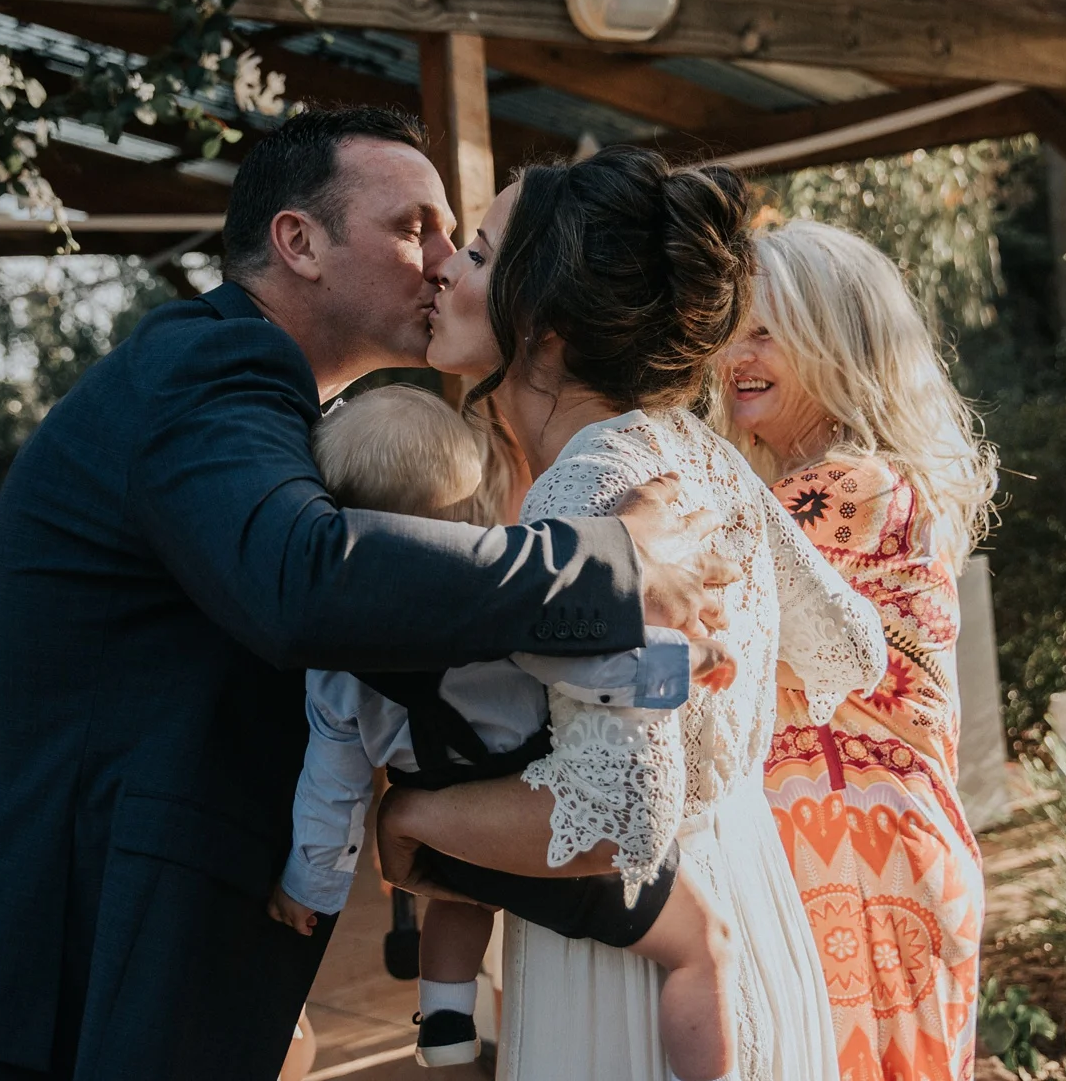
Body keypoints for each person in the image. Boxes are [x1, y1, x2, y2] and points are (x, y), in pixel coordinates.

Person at [0, 108, 740, 1081]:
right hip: (72, 965)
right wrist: (604, 563)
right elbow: (305, 576)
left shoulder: (257, 399)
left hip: (94, 954)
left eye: (453, 237)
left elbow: (47, 678)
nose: (441, 261)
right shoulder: (213, 368)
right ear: (299, 242)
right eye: (413, 226)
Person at [377, 149, 891, 1081]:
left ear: (549, 325)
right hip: (753, 909)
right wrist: (706, 698)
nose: (447, 267)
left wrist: (416, 813)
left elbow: (623, 817)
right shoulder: (702, 453)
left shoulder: (583, 488)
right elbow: (851, 645)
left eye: (480, 254)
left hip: (629, 981)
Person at [266, 384, 738, 1074]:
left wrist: (309, 888)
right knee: (703, 946)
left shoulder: (332, 665)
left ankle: (445, 1022)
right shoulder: (500, 611)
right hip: (525, 820)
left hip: (447, 843)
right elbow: (594, 670)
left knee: (460, 894)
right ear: (466, 518)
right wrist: (686, 660)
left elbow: (330, 787)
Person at [718, 220, 997, 1081]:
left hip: (856, 858)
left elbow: (688, 595)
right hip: (861, 851)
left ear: (837, 345)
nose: (735, 355)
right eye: (730, 330)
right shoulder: (841, 485)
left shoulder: (845, 489)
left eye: (766, 332)